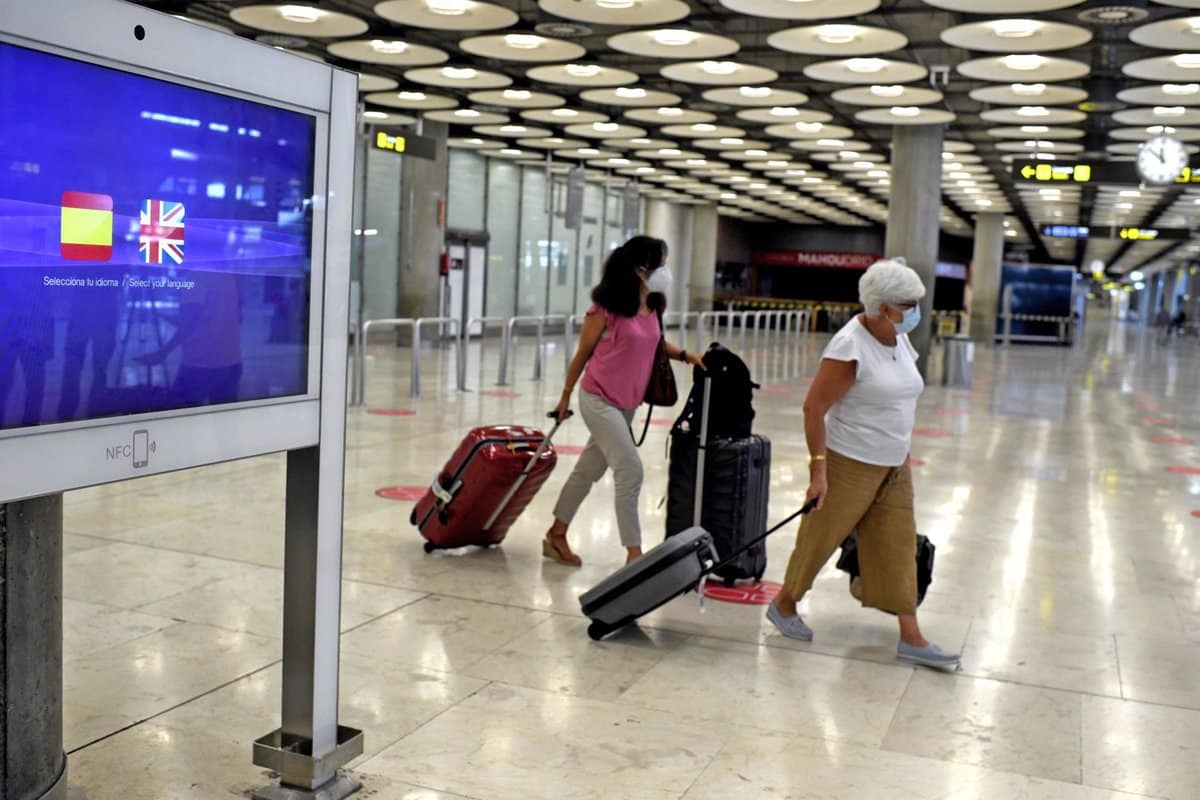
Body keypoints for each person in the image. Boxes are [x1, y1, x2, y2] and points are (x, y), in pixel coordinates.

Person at [766, 258, 960, 669]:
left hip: (893, 465)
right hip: (848, 461)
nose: (915, 311)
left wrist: (901, 449)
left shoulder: (898, 338)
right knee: (820, 538)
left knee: (898, 544)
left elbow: (902, 395)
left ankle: (912, 636)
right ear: (883, 307)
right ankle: (784, 603)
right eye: (908, 304)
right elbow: (813, 408)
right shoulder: (850, 346)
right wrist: (818, 471)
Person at [544, 235, 704, 567]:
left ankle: (555, 534)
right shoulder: (605, 307)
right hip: (598, 397)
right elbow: (582, 354)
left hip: (628, 403)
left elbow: (656, 345)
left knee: (588, 470)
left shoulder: (655, 305)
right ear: (639, 268)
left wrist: (688, 356)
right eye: (660, 262)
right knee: (630, 470)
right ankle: (634, 554)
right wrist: (564, 398)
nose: (665, 270)